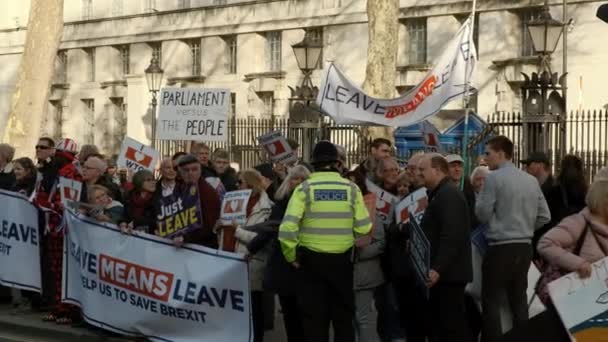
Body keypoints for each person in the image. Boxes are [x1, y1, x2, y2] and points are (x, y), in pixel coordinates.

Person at [279, 140, 372, 342]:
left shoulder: (304, 188)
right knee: (343, 320)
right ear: (337, 163)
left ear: (314, 163)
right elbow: (364, 226)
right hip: (342, 264)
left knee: (314, 321)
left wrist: (291, 255)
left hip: (311, 263)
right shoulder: (352, 189)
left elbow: (287, 228)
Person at [475, 136, 551, 342]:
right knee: (518, 298)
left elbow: (481, 214)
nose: (485, 158)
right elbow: (545, 216)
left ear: (501, 153)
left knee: (490, 299)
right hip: (524, 246)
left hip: (500, 246)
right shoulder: (531, 180)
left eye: (488, 153)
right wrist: (525, 227)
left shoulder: (493, 178)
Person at [245, 165, 310, 342]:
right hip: (284, 265)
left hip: (304, 263)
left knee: (304, 314)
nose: (298, 183)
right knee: (290, 313)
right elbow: (271, 229)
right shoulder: (281, 203)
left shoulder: (310, 204)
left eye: (302, 179)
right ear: (288, 182)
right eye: (295, 178)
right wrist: (252, 248)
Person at [418, 154, 472, 342]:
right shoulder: (441, 194)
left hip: (449, 275)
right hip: (445, 274)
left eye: (423, 169)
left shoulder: (448, 195)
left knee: (451, 327)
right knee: (442, 326)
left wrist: (437, 268)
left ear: (437, 170)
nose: (419, 173)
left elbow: (452, 236)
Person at [217, 169, 273, 342]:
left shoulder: (267, 208)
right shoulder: (233, 202)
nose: (236, 185)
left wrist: (238, 231)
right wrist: (219, 227)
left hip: (252, 264)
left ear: (250, 184)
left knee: (254, 310)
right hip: (230, 263)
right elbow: (222, 235)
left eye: (240, 182)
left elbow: (262, 240)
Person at [538, 178, 608, 278]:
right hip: (574, 290)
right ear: (604, 202)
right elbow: (545, 244)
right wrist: (578, 264)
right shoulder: (577, 223)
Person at [347, 171, 386, 342]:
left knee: (363, 319)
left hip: (365, 274)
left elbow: (381, 242)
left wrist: (358, 253)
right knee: (349, 319)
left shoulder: (370, 210)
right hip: (345, 274)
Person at [535, 155, 588, 256]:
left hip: (559, 230)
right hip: (579, 230)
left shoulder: (555, 188)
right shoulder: (585, 189)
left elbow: (547, 213)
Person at [174, 154, 221, 248]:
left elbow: (209, 225)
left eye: (194, 169)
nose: (190, 173)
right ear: (180, 172)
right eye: (186, 170)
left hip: (202, 247)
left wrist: (185, 237)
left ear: (200, 170)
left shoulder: (207, 191)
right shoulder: (179, 188)